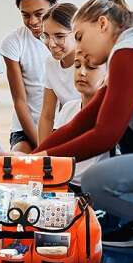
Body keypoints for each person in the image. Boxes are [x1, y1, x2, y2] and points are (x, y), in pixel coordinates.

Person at [31, 0, 133, 247]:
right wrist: (29, 159)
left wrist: (42, 161)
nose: (77, 48)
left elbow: (105, 135)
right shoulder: (132, 49)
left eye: (79, 36)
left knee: (98, 182)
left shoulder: (127, 50)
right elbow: (82, 123)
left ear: (102, 24)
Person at [0, 0, 58, 152]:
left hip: (60, 125)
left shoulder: (66, 39)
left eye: (39, 14)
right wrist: (41, 145)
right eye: (25, 15)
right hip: (26, 128)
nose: (32, 21)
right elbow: (19, 101)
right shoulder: (13, 42)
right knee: (20, 162)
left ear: (53, 6)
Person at [54, 52, 107, 191]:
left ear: (108, 75)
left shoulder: (111, 116)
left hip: (95, 190)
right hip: (63, 187)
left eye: (91, 67)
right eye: (77, 66)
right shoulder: (68, 108)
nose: (81, 72)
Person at [38, 3, 80, 144]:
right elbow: (47, 115)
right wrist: (40, 155)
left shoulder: (91, 62)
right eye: (46, 36)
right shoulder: (50, 63)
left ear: (77, 33)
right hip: (67, 129)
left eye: (59, 36)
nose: (51, 43)